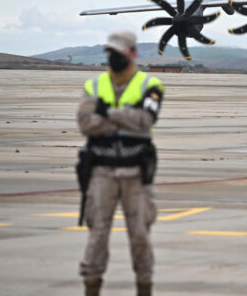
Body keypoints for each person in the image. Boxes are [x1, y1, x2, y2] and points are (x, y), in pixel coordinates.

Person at [76, 31, 164, 296]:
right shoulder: (94, 85)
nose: (114, 58)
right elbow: (85, 124)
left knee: (139, 236)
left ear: (133, 53)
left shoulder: (150, 85)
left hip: (135, 172)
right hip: (101, 171)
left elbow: (145, 121)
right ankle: (91, 288)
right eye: (110, 53)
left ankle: (144, 288)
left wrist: (107, 113)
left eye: (119, 53)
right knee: (97, 235)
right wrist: (126, 116)